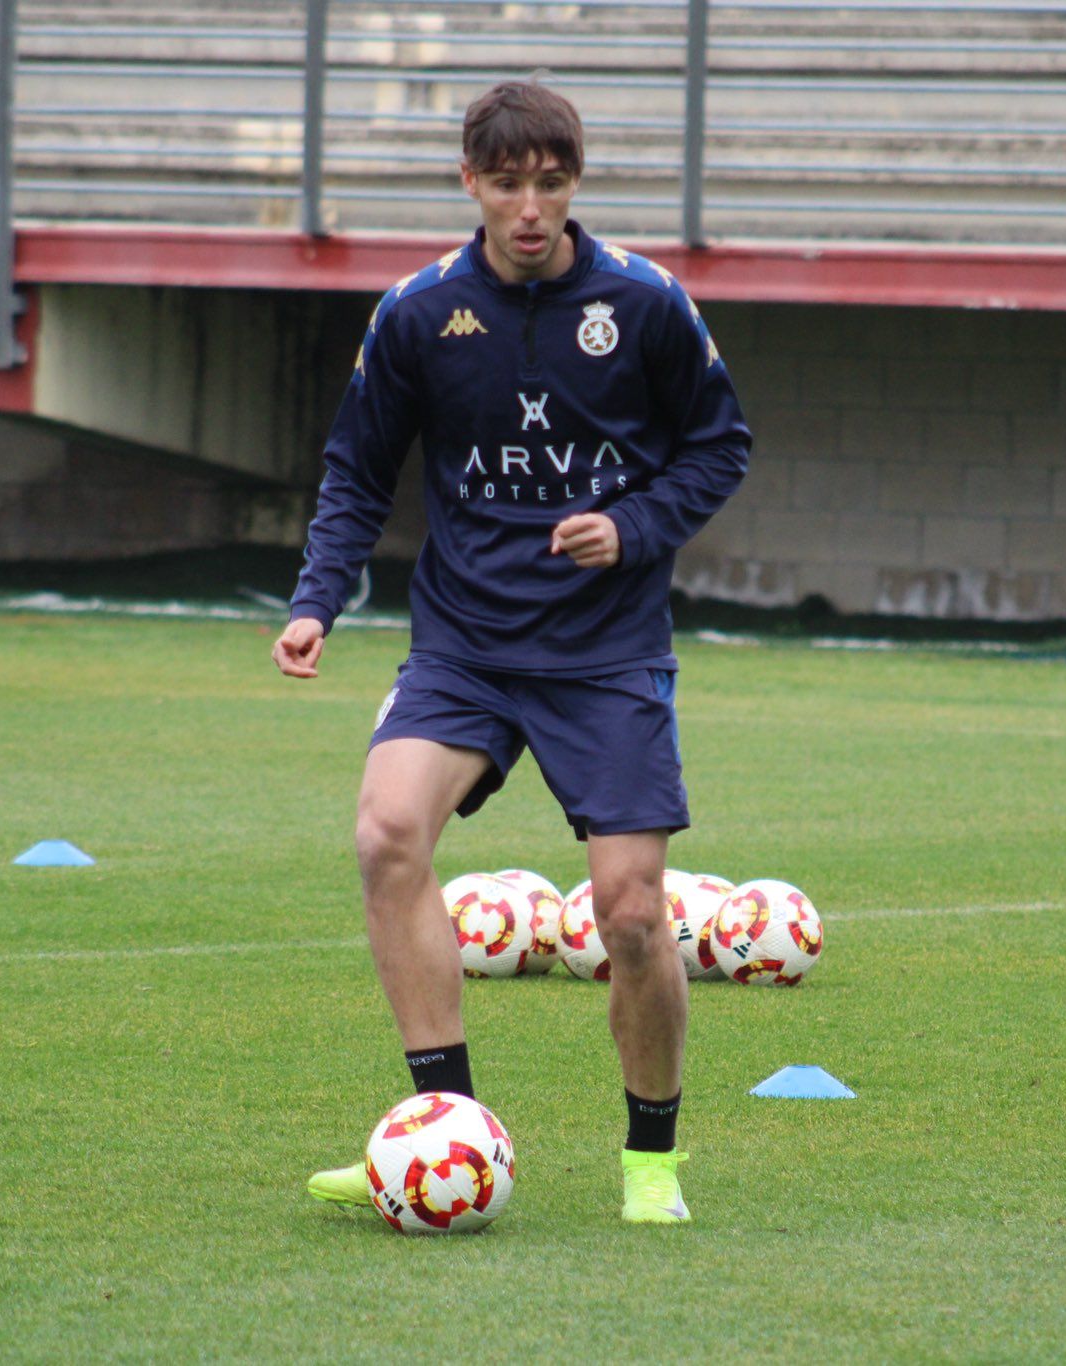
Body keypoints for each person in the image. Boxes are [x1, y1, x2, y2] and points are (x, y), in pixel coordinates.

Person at [273, 79, 750, 1223]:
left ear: (572, 184)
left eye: (550, 184)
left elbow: (718, 447)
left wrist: (628, 526)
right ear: (470, 184)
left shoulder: (643, 303)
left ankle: (649, 1162)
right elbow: (355, 470)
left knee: (630, 911)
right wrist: (315, 599)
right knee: (387, 833)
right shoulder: (417, 312)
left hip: (605, 650)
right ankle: (449, 1130)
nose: (528, 208)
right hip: (467, 644)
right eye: (506, 184)